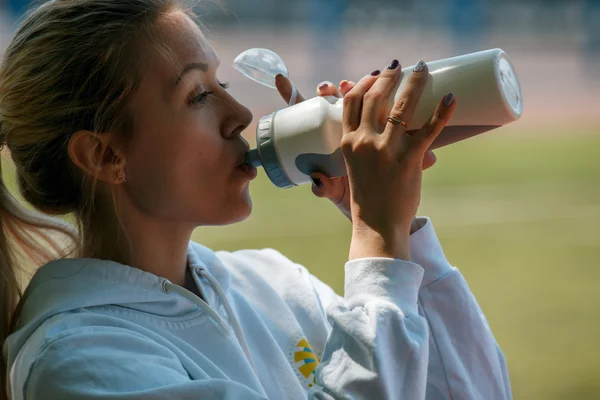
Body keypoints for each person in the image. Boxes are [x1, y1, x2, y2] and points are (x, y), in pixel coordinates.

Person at [0, 0, 512, 399]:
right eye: (198, 94)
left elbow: (474, 392)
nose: (242, 113)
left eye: (220, 81)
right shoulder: (79, 361)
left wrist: (400, 240)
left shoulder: (271, 283)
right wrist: (378, 245)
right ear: (105, 154)